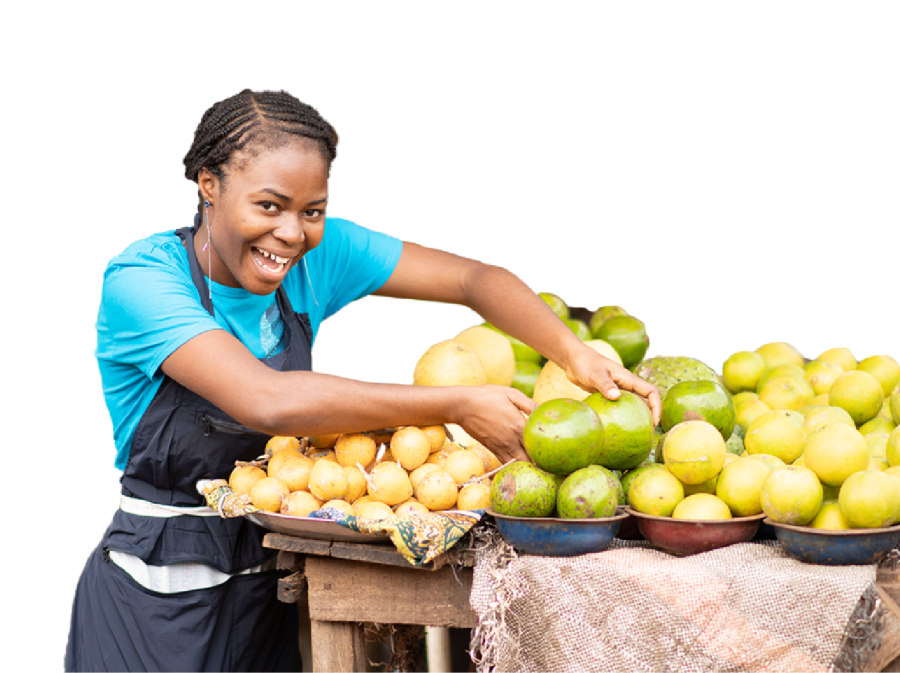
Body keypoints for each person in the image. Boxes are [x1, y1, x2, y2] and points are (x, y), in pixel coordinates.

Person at [66, 88, 660, 672]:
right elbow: (265, 401)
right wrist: (452, 403)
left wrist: (573, 351)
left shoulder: (312, 258)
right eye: (268, 206)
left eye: (312, 211)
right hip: (151, 599)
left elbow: (474, 279)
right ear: (209, 185)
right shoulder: (141, 280)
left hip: (267, 585)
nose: (292, 234)